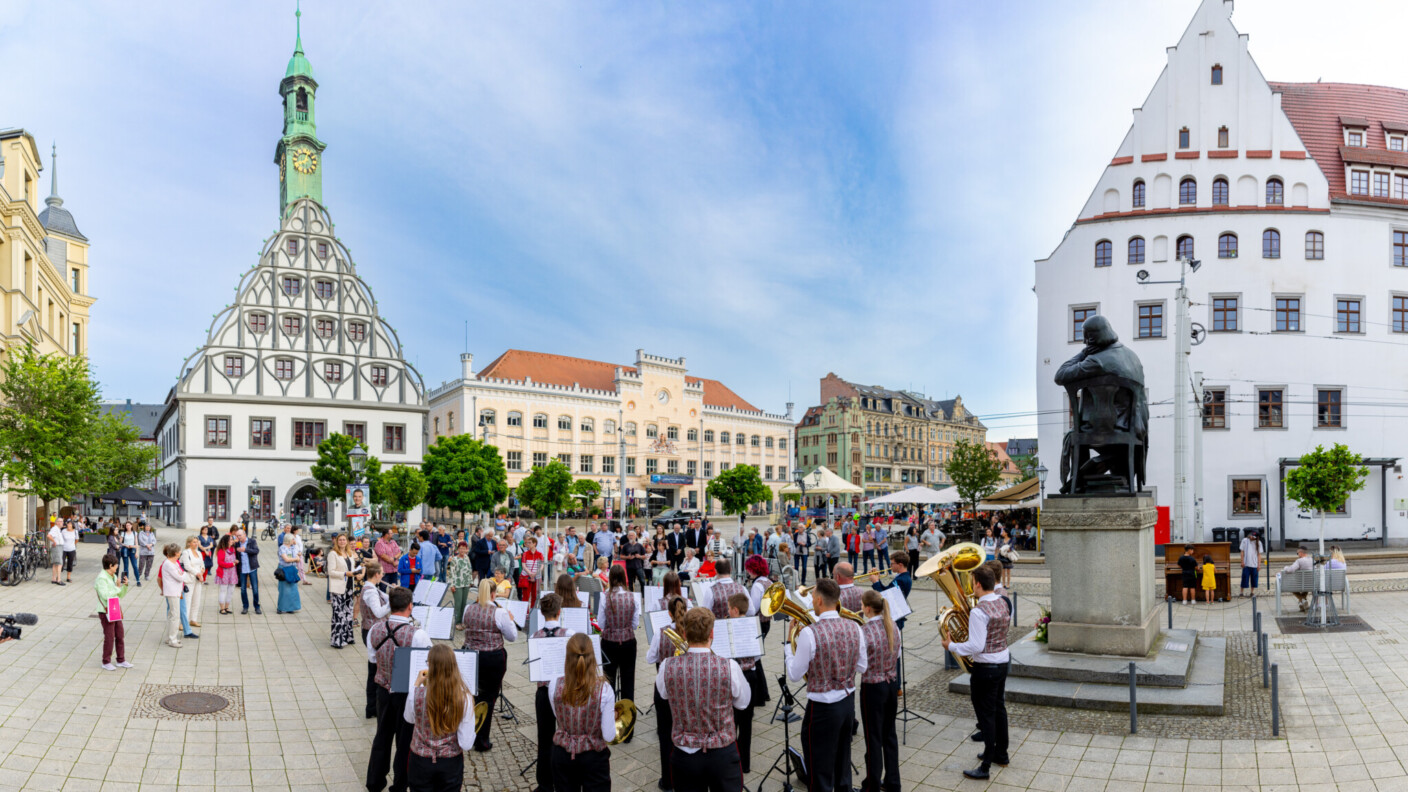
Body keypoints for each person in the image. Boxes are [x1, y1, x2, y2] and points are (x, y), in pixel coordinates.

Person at [658, 606, 750, 792]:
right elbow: (743, 703)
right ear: (712, 633)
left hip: (685, 753)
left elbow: (664, 695)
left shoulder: (667, 665)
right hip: (722, 752)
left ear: (684, 633)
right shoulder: (729, 666)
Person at [786, 578, 864, 792]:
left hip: (821, 708)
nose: (811, 602)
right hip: (847, 703)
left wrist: (787, 646)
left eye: (812, 598)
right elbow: (862, 666)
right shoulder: (855, 627)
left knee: (818, 768)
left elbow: (794, 674)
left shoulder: (809, 633)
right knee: (842, 761)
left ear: (819, 600)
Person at [942, 565, 1009, 780]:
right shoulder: (1003, 601)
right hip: (1002, 662)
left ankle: (986, 765)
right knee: (998, 708)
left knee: (986, 715)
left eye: (972, 582)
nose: (970, 586)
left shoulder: (979, 612)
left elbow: (976, 646)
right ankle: (1001, 753)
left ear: (978, 584)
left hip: (986, 667)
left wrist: (952, 646)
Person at [366, 587, 432, 792]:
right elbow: (429, 666)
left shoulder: (374, 630)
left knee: (382, 737)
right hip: (407, 694)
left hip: (383, 691)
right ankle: (400, 785)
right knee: (405, 742)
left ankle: (375, 782)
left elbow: (372, 659)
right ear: (410, 606)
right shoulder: (418, 634)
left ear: (390, 605)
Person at [401, 643, 474, 792]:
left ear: (431, 667)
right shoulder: (464, 698)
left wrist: (416, 684)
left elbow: (409, 719)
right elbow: (466, 744)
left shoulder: (416, 693)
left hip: (420, 760)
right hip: (450, 762)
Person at [549, 632, 616, 792]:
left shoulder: (554, 684)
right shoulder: (605, 690)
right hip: (593, 757)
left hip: (563, 754)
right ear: (593, 658)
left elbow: (558, 716)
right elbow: (609, 736)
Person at [462, 579, 518, 751]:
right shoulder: (498, 613)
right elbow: (512, 637)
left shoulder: (468, 608)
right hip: (492, 657)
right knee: (489, 698)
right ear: (494, 594)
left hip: (470, 655)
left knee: (471, 695)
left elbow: (466, 625)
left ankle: (467, 735)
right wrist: (510, 619)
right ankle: (482, 740)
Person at [858, 589, 900, 792]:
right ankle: (893, 782)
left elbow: (860, 665)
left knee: (873, 738)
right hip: (891, 684)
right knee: (889, 735)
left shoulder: (864, 631)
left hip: (873, 688)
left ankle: (872, 785)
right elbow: (896, 655)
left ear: (867, 608)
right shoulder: (893, 626)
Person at [646, 595, 688, 789]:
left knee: (665, 734)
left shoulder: (660, 633)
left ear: (669, 613)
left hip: (665, 687)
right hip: (687, 688)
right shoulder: (691, 631)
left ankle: (668, 780)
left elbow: (650, 658)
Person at [597, 565, 639, 742]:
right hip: (628, 641)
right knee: (628, 683)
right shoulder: (633, 597)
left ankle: (611, 727)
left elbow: (601, 623)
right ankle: (627, 730)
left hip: (610, 642)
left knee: (609, 684)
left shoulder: (605, 597)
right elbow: (635, 623)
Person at [531, 593, 566, 792]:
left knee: (544, 738)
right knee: (564, 734)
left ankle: (544, 783)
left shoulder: (536, 636)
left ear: (542, 613)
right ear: (559, 612)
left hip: (544, 692)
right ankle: (562, 779)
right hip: (564, 692)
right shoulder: (568, 633)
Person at [727, 592, 766, 774]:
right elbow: (758, 655)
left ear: (735, 610)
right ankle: (746, 764)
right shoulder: (753, 625)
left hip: (733, 676)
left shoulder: (726, 627)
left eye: (729, 608)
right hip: (751, 675)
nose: (727, 611)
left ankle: (730, 761)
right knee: (746, 721)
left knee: (731, 720)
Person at [359, 565, 391, 718]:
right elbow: (378, 612)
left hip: (373, 631)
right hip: (373, 633)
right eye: (382, 573)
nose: (383, 576)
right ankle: (373, 708)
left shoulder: (373, 588)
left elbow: (385, 597)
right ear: (377, 574)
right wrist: (392, 604)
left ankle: (373, 707)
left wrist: (395, 594)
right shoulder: (370, 591)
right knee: (374, 671)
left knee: (375, 670)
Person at [94, 553, 132, 671]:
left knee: (120, 634)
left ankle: (121, 660)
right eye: (116, 565)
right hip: (105, 610)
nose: (117, 567)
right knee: (109, 636)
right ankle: (106, 661)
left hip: (115, 608)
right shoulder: (102, 578)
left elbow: (120, 595)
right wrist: (117, 587)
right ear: (110, 566)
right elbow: (105, 595)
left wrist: (124, 586)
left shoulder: (113, 576)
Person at [329, 533, 363, 648]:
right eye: (340, 540)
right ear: (337, 541)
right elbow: (331, 572)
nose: (342, 542)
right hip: (338, 588)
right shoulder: (333, 554)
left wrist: (356, 573)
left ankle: (348, 637)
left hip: (349, 587)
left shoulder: (349, 554)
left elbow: (352, 569)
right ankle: (337, 640)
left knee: (348, 613)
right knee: (339, 614)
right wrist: (345, 573)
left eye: (344, 540)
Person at [159, 543, 193, 647]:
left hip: (176, 591)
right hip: (172, 592)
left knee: (171, 615)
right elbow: (180, 576)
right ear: (176, 553)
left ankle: (169, 637)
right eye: (179, 551)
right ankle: (173, 639)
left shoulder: (175, 562)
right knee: (175, 616)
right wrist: (183, 575)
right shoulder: (168, 564)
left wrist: (183, 575)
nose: (180, 553)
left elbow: (181, 573)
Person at [873, 551, 913, 631]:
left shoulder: (901, 580)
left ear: (900, 565)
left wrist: (876, 582)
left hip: (894, 616)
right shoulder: (901, 577)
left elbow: (885, 597)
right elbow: (887, 591)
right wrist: (878, 579)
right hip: (894, 614)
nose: (889, 565)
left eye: (892, 563)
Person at [446, 542, 474, 630]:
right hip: (457, 584)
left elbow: (469, 570)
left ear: (466, 549)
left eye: (464, 548)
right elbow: (452, 573)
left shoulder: (467, 558)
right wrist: (452, 584)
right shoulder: (454, 559)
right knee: (458, 604)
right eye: (460, 548)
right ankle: (457, 622)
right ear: (458, 549)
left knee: (464, 603)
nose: (462, 550)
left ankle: (463, 621)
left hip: (466, 583)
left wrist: (470, 581)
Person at [181, 536, 205, 630]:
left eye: (197, 542)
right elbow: (187, 566)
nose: (196, 544)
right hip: (189, 578)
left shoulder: (199, 552)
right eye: (194, 542)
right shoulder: (186, 552)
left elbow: (202, 564)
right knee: (187, 600)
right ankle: (183, 622)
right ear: (189, 543)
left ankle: (193, 619)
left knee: (196, 599)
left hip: (198, 579)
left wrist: (202, 570)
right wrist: (197, 573)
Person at [1279, 546, 1314, 612]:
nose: (1297, 555)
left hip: (1299, 584)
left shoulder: (1299, 561)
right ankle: (1302, 602)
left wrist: (1285, 567)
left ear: (1300, 553)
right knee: (1306, 585)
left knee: (1291, 586)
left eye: (1297, 553)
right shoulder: (1313, 560)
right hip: (1311, 584)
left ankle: (1302, 600)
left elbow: (1290, 570)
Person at [237, 529, 262, 615]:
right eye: (237, 536)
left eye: (240, 535)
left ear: (244, 534)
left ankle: (257, 607)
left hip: (252, 568)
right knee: (243, 589)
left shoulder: (252, 541)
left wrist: (245, 550)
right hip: (242, 569)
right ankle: (245, 607)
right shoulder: (237, 543)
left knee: (255, 589)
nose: (238, 537)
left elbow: (256, 551)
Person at [276, 534, 302, 614]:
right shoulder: (282, 548)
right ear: (289, 540)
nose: (294, 541)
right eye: (293, 539)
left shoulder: (293, 547)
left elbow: (298, 559)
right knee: (284, 589)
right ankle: (281, 608)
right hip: (284, 570)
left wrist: (294, 559)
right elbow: (286, 559)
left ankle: (290, 608)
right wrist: (295, 559)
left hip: (292, 569)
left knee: (293, 589)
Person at [215, 534, 238, 614]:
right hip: (224, 573)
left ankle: (227, 607)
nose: (232, 541)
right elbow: (220, 563)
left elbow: (233, 560)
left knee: (231, 590)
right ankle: (222, 608)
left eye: (232, 539)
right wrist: (232, 564)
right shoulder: (221, 550)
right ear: (226, 541)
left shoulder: (233, 549)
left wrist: (235, 562)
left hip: (232, 573)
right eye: (231, 539)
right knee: (223, 590)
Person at [519, 536, 545, 603]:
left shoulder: (540, 554)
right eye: (527, 543)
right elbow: (523, 565)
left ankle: (533, 611)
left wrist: (535, 573)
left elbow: (542, 565)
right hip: (526, 576)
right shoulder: (525, 554)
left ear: (534, 543)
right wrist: (530, 573)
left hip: (536, 577)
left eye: (530, 543)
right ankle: (525, 612)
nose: (528, 544)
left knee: (535, 595)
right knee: (525, 596)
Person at [1239, 530, 1262, 597]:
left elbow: (1259, 555)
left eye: (1253, 536)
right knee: (1244, 578)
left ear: (1256, 537)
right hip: (1246, 564)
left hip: (1254, 564)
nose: (1252, 537)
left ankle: (1252, 592)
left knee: (1254, 580)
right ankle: (1241, 592)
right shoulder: (1245, 540)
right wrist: (1242, 561)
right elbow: (1242, 552)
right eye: (1251, 535)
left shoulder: (1259, 543)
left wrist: (1259, 565)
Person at [60, 520, 78, 585]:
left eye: (70, 524)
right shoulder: (63, 531)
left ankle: (68, 577)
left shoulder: (75, 532)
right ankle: (58, 577)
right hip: (64, 549)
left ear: (72, 525)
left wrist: (73, 544)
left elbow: (76, 539)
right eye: (68, 524)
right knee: (61, 562)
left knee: (70, 563)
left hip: (72, 549)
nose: (69, 525)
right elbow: (60, 539)